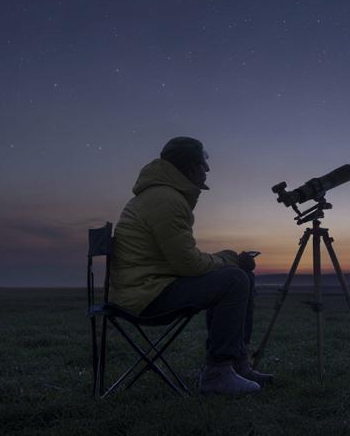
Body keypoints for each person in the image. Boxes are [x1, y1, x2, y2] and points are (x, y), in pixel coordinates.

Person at [109, 136, 274, 395]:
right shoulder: (166, 200)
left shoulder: (161, 196)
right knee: (235, 279)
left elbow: (182, 257)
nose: (207, 169)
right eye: (202, 162)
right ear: (189, 167)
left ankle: (236, 364)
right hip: (148, 297)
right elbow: (188, 264)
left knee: (240, 275)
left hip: (150, 287)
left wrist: (228, 259)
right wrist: (228, 259)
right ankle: (217, 374)